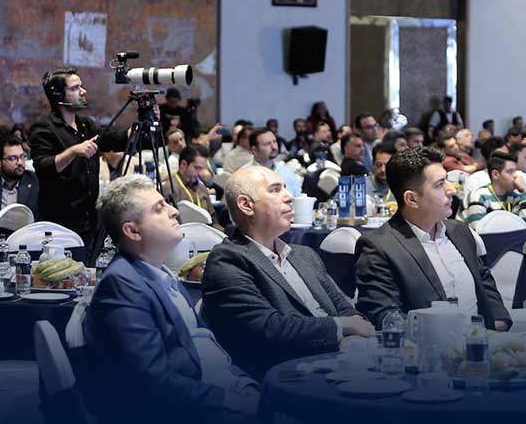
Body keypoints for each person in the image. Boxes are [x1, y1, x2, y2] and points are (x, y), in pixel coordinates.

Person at [84, 176, 261, 424]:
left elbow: (206, 346)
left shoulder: (161, 273)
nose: (174, 211)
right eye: (159, 208)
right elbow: (152, 381)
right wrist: (235, 401)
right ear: (133, 231)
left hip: (216, 389)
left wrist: (246, 386)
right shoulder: (122, 284)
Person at [202, 166, 372, 379]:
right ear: (246, 205)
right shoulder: (228, 261)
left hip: (345, 364)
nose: (289, 196)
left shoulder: (303, 255)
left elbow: (344, 306)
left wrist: (354, 336)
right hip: (289, 376)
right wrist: (343, 328)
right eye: (275, 190)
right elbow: (269, 328)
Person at [355, 147, 511, 330]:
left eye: (447, 180)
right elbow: (386, 316)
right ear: (412, 199)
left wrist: (497, 326)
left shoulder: (460, 232)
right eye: (439, 184)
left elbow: (484, 282)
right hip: (429, 344)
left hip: (484, 341)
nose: (451, 190)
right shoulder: (379, 247)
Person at [30, 67, 106, 253]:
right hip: (60, 224)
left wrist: (137, 128)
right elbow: (43, 167)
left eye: (81, 86)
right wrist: (73, 151)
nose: (83, 91)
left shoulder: (85, 125)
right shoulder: (44, 127)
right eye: (75, 88)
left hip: (90, 220)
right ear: (58, 95)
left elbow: (113, 139)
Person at [461, 151, 526, 231]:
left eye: (515, 171)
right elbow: (477, 231)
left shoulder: (516, 195)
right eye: (510, 171)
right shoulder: (479, 196)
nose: (515, 176)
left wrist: (523, 192)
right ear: (495, 174)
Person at [0, 135, 38, 236]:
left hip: (29, 239)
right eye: (13, 158)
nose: (20, 162)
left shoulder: (35, 181)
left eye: (22, 156)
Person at [161, 145, 222, 229]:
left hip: (206, 231)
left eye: (202, 169)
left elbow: (213, 219)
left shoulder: (201, 187)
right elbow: (168, 223)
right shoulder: (170, 188)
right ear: (183, 164)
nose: (201, 173)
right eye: (197, 168)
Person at [242, 128, 302, 197]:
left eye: (274, 141)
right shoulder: (244, 176)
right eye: (267, 144)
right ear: (255, 150)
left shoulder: (287, 172)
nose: (274, 147)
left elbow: (298, 198)